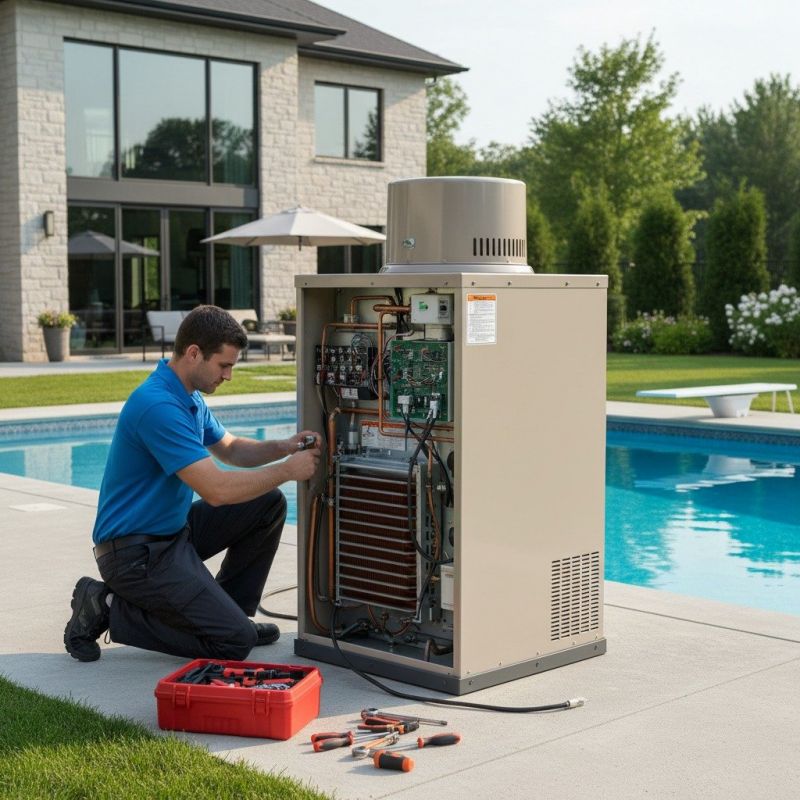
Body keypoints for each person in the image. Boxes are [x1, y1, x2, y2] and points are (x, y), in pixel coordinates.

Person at [63, 305, 320, 663]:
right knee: (234, 643)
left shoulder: (188, 396)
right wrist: (288, 470)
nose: (229, 376)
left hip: (172, 536)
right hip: (135, 557)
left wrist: (283, 447)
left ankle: (228, 613)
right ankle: (105, 605)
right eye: (224, 365)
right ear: (194, 353)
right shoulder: (158, 406)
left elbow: (230, 449)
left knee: (268, 503)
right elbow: (217, 491)